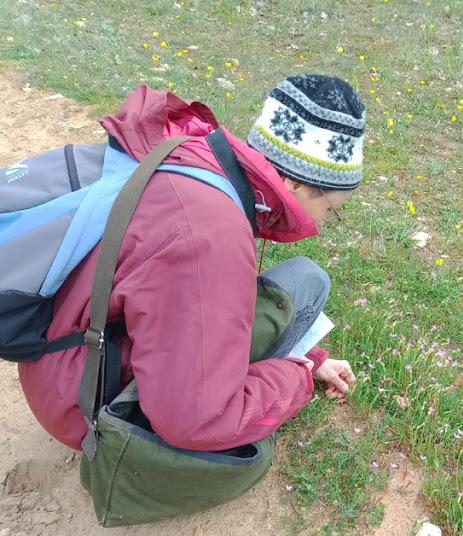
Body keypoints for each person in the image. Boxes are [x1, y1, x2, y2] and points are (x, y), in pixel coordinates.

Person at [18, 74, 363, 452]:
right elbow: (194, 422)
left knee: (304, 280)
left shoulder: (194, 157)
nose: (323, 223)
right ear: (298, 183)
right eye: (331, 209)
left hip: (62, 362)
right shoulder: (211, 231)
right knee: (307, 283)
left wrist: (310, 357)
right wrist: (297, 377)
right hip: (85, 404)